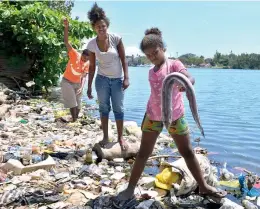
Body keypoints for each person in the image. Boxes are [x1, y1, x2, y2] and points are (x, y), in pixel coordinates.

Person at [112, 27, 227, 208]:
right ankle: (130, 188)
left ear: (163, 48)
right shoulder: (151, 72)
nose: (152, 57)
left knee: (187, 151)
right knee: (143, 153)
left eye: (155, 52)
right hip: (153, 116)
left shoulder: (174, 65)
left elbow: (189, 76)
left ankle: (203, 186)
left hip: (175, 116)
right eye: (148, 55)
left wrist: (185, 83)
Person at [86, 3, 130, 151]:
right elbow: (92, 66)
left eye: (103, 26)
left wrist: (126, 78)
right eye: (98, 26)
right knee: (104, 108)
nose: (101, 28)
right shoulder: (92, 44)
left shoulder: (116, 38)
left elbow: (124, 59)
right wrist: (89, 86)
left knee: (119, 108)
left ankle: (120, 138)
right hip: (102, 80)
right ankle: (105, 137)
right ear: (94, 27)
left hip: (117, 80)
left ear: (107, 26)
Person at [60, 17, 89, 122]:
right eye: (84, 57)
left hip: (77, 83)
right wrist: (66, 27)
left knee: (78, 102)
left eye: (87, 59)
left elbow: (84, 76)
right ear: (82, 54)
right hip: (67, 81)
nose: (85, 60)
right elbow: (66, 41)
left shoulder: (87, 63)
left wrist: (81, 87)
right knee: (72, 101)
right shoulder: (74, 54)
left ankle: (75, 119)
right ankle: (74, 120)